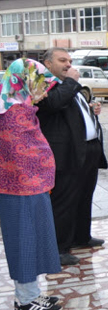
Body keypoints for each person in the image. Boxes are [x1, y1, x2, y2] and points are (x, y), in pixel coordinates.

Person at [0, 58, 63, 310]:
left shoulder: (20, 107)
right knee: (23, 240)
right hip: (18, 188)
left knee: (34, 239)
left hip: (32, 187)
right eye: (40, 85)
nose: (43, 92)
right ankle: (25, 300)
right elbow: (20, 152)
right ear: (23, 82)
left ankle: (32, 292)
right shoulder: (10, 113)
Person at [38, 47, 108, 266]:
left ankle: (81, 236)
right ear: (48, 64)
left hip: (88, 149)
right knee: (64, 200)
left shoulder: (68, 84)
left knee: (84, 195)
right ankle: (58, 248)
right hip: (66, 152)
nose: (68, 64)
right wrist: (71, 81)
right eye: (62, 60)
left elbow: (68, 108)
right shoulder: (43, 83)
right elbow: (53, 103)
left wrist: (89, 108)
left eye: (69, 60)